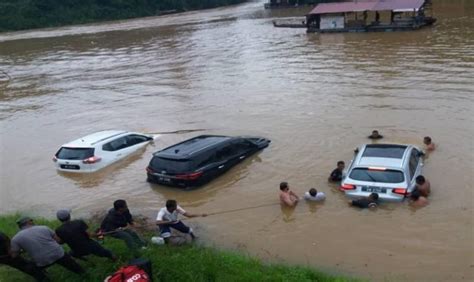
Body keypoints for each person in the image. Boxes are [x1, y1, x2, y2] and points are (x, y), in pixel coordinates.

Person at [10, 217, 84, 275]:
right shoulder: (44, 227)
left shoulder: (16, 238)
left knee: (32, 269)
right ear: (29, 222)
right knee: (74, 266)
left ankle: (44, 278)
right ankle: (83, 273)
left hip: (42, 261)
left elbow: (14, 255)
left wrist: (24, 249)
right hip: (58, 254)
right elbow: (58, 241)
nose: (33, 221)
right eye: (31, 220)